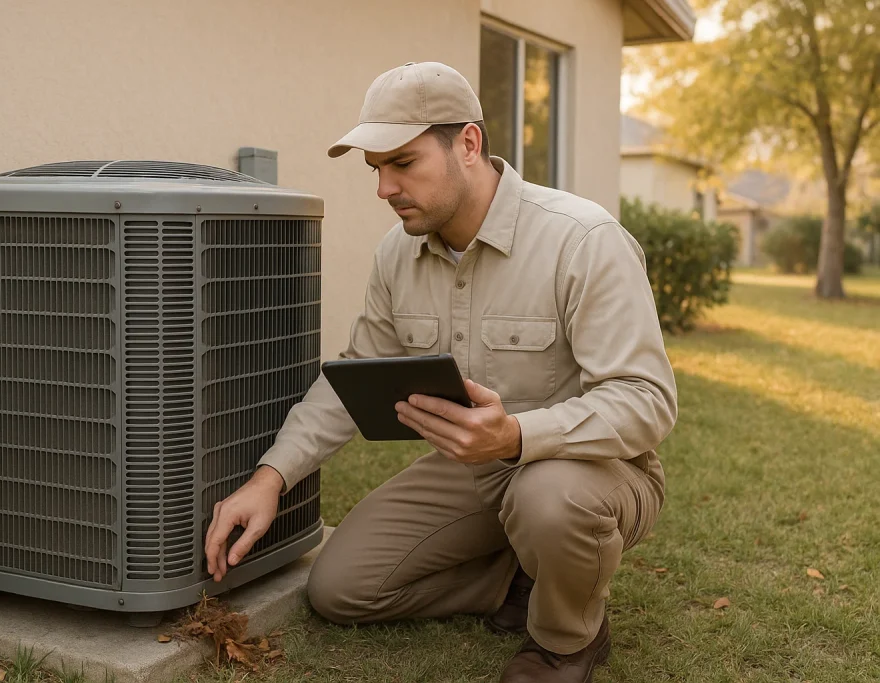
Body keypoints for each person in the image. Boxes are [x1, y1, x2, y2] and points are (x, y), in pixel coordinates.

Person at [204, 61, 677, 683]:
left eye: (403, 163)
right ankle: (519, 578)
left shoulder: (583, 240)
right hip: (476, 473)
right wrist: (270, 477)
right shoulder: (397, 254)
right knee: (341, 589)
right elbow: (355, 376)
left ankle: (567, 640)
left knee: (551, 498)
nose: (384, 189)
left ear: (469, 145)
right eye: (377, 170)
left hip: (592, 475)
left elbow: (647, 401)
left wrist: (516, 438)